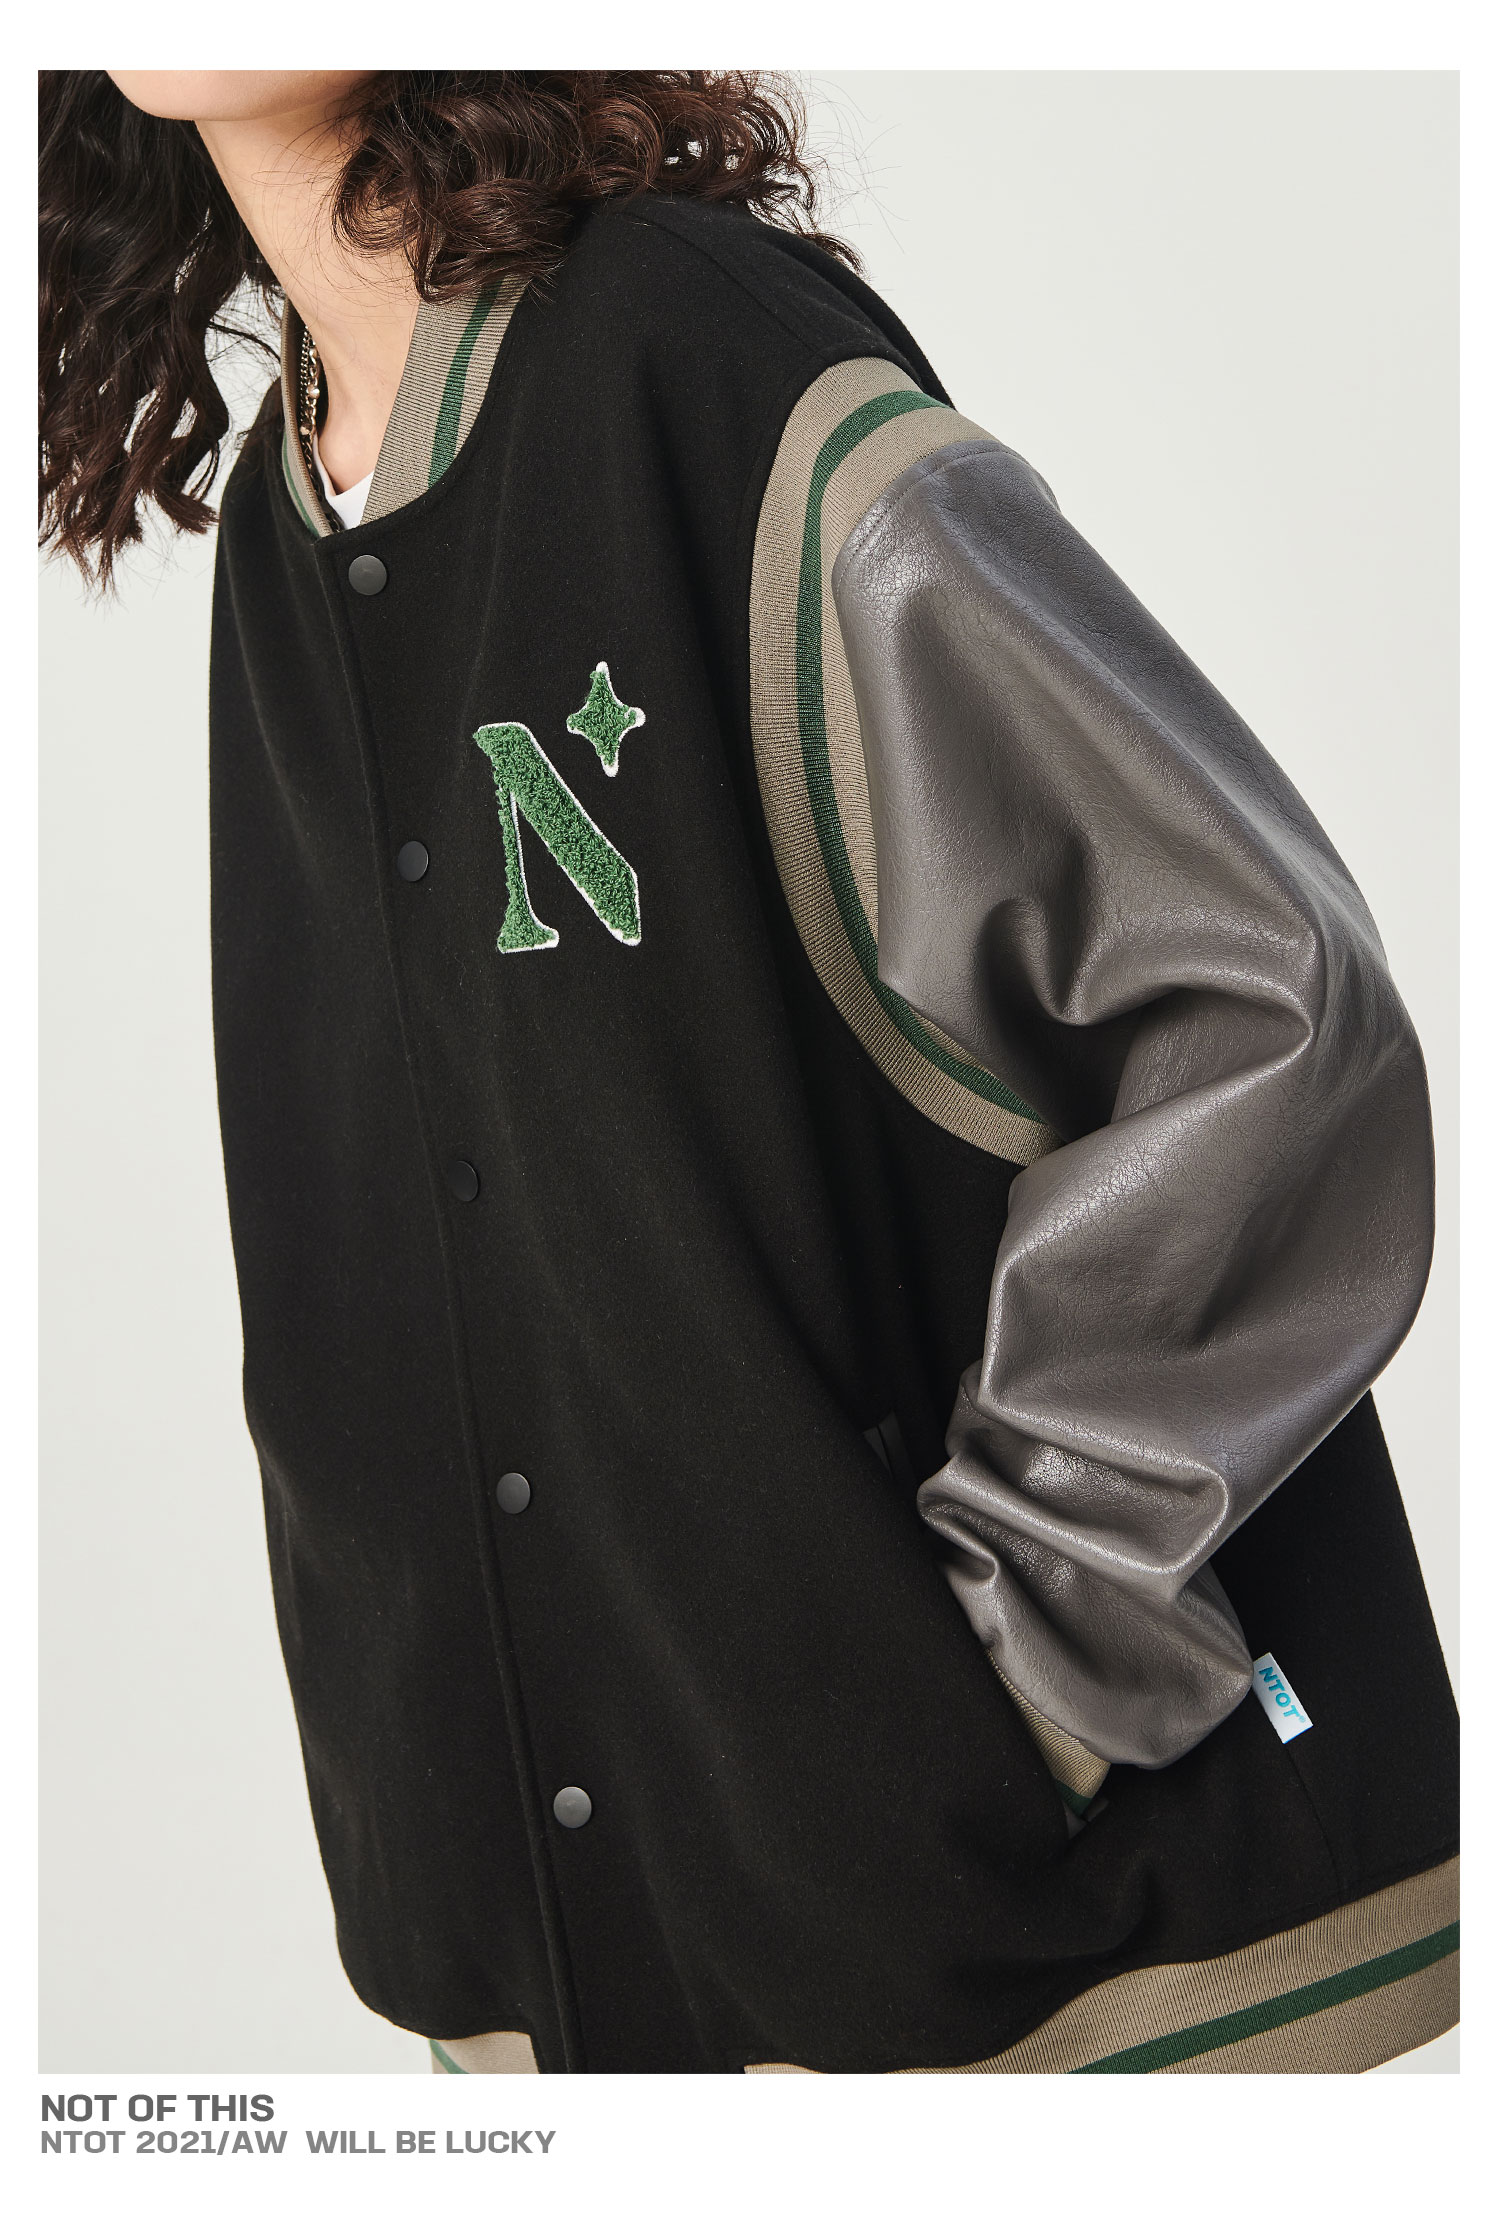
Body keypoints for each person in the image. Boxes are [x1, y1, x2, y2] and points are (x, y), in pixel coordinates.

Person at [39, 68, 1458, 2075]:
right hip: (605, 2017)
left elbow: (1271, 1005)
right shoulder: (293, 517)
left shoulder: (703, 366)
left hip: (1056, 1982)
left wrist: (1026, 1658)